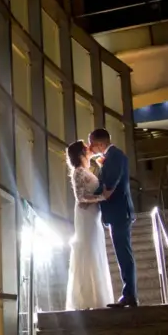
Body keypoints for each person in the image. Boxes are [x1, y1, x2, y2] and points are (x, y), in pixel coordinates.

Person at [88, 128, 137, 307]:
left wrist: (90, 193)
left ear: (100, 143)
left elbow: (109, 188)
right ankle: (129, 293)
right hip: (118, 212)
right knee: (122, 253)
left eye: (92, 145)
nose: (91, 149)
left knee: (123, 254)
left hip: (119, 212)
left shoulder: (115, 157)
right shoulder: (112, 157)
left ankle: (129, 294)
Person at [65, 140, 115, 310]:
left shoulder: (86, 170)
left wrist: (101, 161)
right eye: (86, 149)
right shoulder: (78, 172)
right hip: (86, 215)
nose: (89, 149)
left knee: (95, 250)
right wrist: (103, 197)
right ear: (80, 154)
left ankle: (97, 296)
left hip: (94, 215)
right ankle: (86, 298)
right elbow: (80, 198)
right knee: (88, 250)